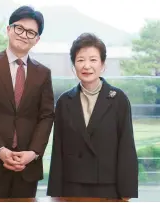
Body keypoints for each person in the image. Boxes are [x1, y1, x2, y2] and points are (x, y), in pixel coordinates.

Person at [0, 6, 54, 200]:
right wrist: (0, 150)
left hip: (27, 164)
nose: (24, 35)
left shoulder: (43, 73)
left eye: (31, 32)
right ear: (9, 29)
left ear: (37, 39)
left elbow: (47, 115)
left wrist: (33, 153)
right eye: (19, 28)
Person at [47, 33, 138, 199]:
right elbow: (57, 149)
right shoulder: (64, 101)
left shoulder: (119, 99)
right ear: (73, 66)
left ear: (103, 65)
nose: (86, 66)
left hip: (108, 186)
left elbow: (127, 148)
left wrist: (127, 192)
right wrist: (55, 192)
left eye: (93, 60)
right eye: (80, 60)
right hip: (72, 186)